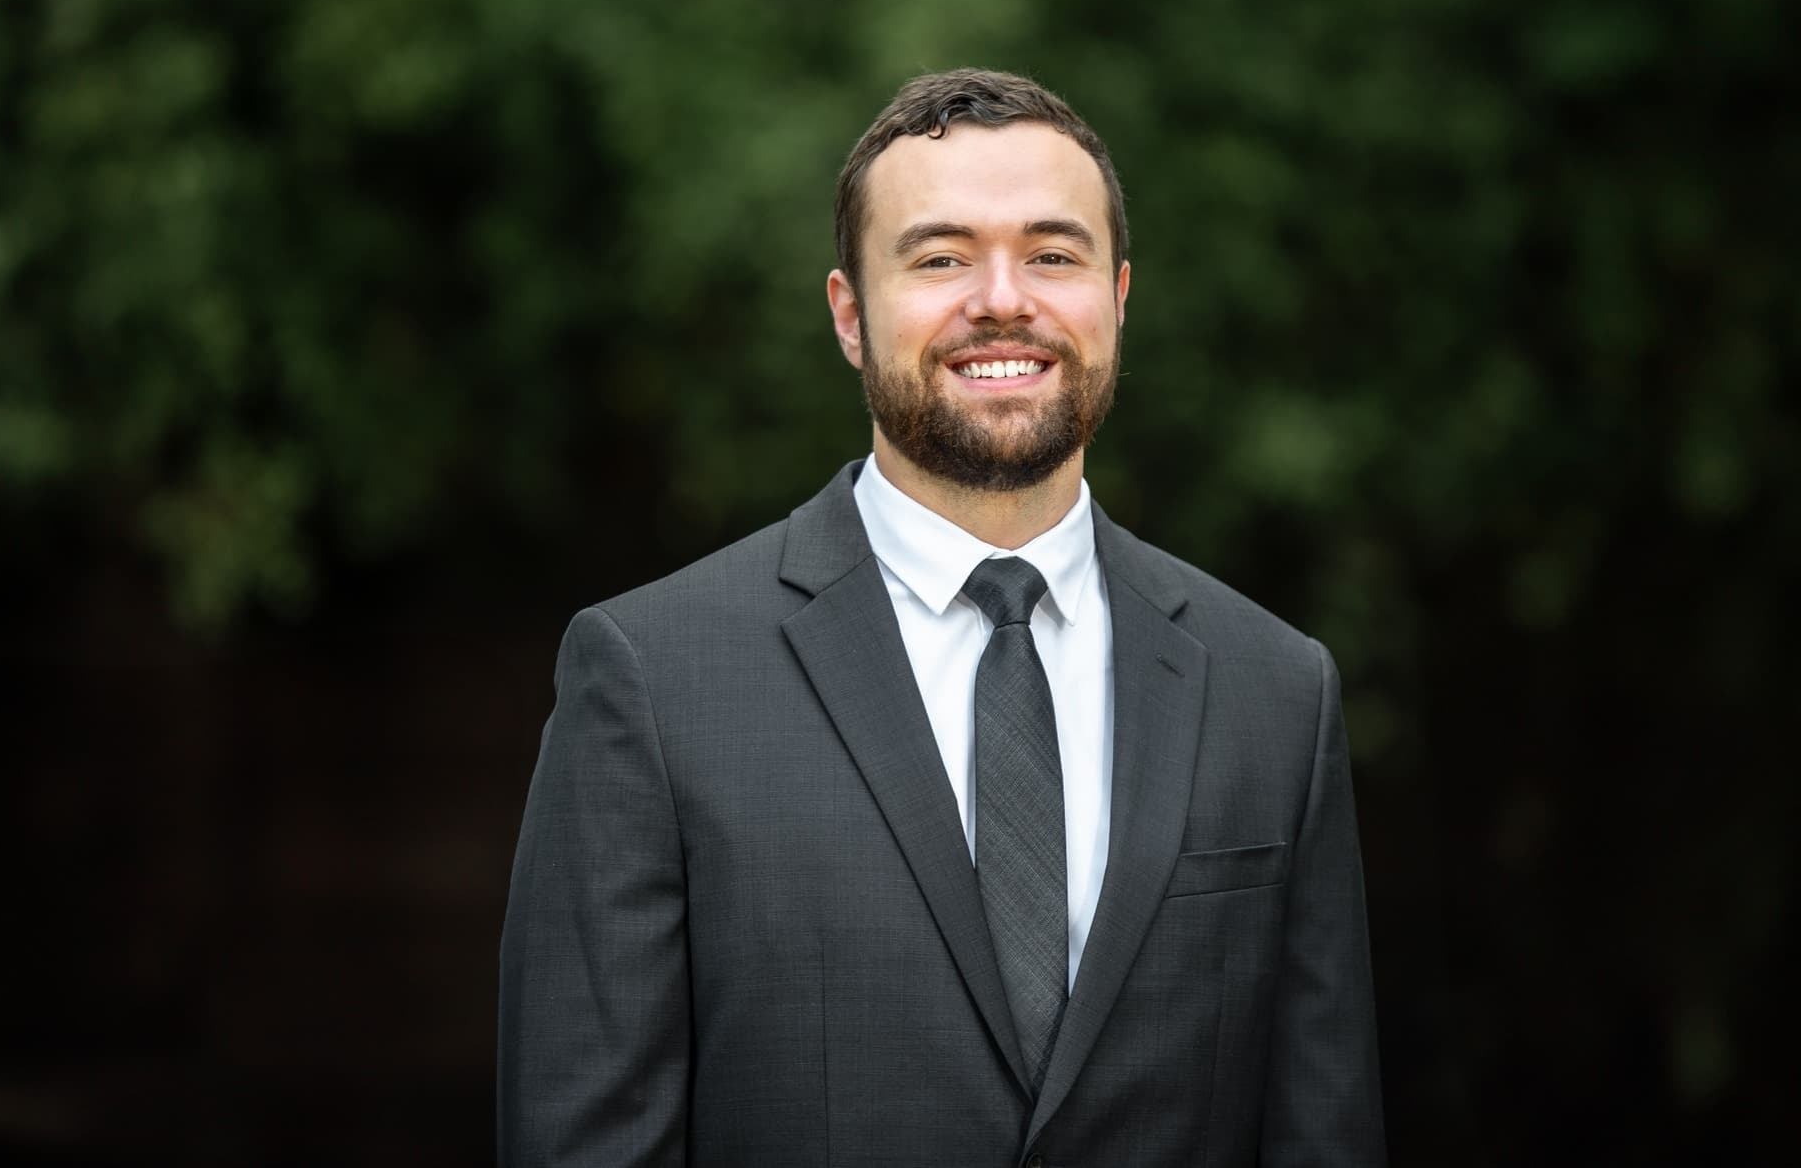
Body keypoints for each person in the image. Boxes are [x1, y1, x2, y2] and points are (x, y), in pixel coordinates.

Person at [498, 69, 1385, 1166]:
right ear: (848, 315)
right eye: (940, 256)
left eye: (1051, 255)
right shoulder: (652, 678)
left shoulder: (1274, 688)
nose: (1002, 298)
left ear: (1115, 296)